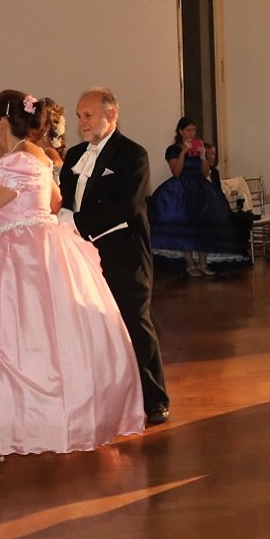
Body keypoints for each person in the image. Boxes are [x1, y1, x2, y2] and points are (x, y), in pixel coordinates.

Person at [0, 90, 145, 456]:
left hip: (14, 260)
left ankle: (3, 426)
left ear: (2, 121)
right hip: (39, 252)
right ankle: (35, 420)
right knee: (44, 341)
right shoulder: (38, 156)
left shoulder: (16, 161)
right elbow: (56, 202)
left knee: (10, 339)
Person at [62, 87, 170, 426]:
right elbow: (65, 198)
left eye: (88, 115)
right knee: (92, 323)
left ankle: (155, 399)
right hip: (81, 254)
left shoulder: (133, 154)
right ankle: (107, 397)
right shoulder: (75, 155)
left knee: (135, 320)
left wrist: (77, 222)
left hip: (124, 252)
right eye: (79, 116)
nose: (81, 122)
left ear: (111, 116)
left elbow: (127, 205)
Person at [149, 117, 246, 276]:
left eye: (193, 130)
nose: (191, 133)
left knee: (205, 224)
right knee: (186, 225)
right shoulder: (173, 150)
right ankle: (190, 264)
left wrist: (203, 156)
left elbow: (205, 172)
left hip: (201, 188)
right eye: (188, 130)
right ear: (180, 131)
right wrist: (183, 152)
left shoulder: (199, 147)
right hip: (181, 190)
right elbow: (176, 172)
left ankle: (203, 262)